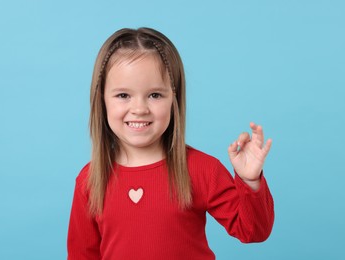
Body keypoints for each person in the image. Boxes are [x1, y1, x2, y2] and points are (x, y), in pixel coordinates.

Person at [67, 27, 274, 260]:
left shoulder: (202, 169)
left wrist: (250, 181)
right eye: (123, 95)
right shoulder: (89, 180)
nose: (139, 109)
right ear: (102, 99)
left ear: (174, 100)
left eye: (155, 95)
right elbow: (81, 255)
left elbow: (253, 231)